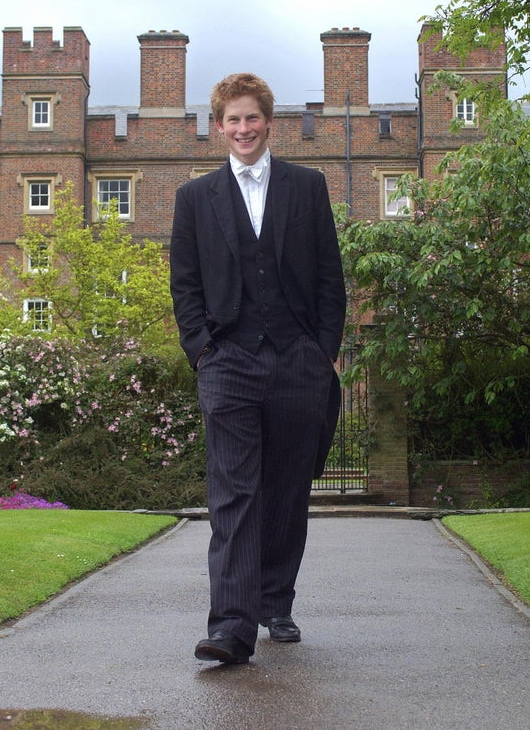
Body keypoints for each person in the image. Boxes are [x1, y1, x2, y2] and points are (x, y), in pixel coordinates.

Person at [170, 72, 346, 665]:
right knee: (234, 494)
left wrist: (323, 351)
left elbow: (329, 277)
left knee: (287, 490)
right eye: (232, 120)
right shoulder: (195, 198)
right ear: (218, 127)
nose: (243, 130)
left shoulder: (307, 186)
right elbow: (185, 285)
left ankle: (276, 600)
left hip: (298, 358)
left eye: (252, 118)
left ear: (269, 122)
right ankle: (231, 626)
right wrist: (202, 349)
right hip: (228, 360)